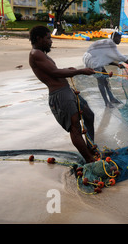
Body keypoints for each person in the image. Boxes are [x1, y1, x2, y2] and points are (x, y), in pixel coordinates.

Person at [29, 25, 97, 163]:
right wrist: (80, 71)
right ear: (39, 38)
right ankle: (90, 160)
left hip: (67, 91)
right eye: (48, 38)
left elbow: (54, 70)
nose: (51, 41)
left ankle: (91, 147)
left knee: (89, 115)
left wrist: (69, 69)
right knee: (75, 128)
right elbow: (54, 73)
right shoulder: (35, 54)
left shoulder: (41, 54)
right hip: (60, 95)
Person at [83, 31, 128, 107]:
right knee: (101, 81)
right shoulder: (110, 44)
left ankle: (111, 98)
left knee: (106, 78)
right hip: (92, 61)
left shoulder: (108, 43)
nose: (120, 40)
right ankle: (106, 102)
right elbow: (120, 56)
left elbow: (104, 58)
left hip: (95, 59)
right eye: (119, 38)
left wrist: (117, 65)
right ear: (115, 38)